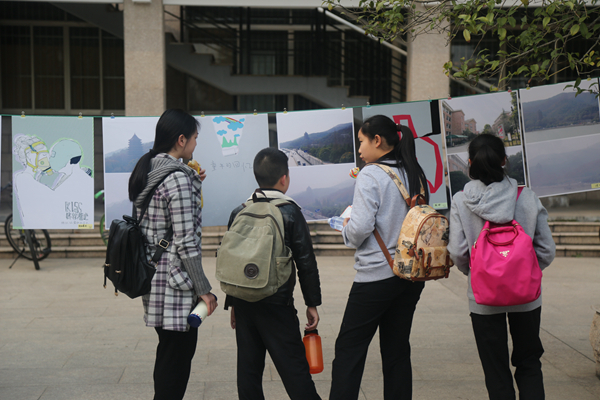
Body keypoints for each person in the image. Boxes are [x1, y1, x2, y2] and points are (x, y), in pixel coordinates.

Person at [447, 134, 556, 400]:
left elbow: (458, 251)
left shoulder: (461, 201)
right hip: (526, 297)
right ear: (504, 161)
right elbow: (546, 249)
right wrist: (524, 273)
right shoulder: (526, 196)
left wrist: (479, 274)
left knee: (495, 369)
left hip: (483, 299)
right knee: (529, 362)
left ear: (470, 163)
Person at [329, 115, 429, 400]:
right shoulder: (414, 171)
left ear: (377, 140)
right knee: (397, 351)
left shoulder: (370, 174)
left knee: (349, 350)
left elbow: (360, 228)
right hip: (410, 275)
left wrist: (346, 229)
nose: (359, 150)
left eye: (361, 142)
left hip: (376, 276)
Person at [128, 109, 217, 400]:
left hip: (154, 279)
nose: (195, 144)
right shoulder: (178, 179)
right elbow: (186, 240)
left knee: (168, 355)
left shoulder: (148, 170)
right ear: (181, 140)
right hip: (175, 285)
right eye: (194, 138)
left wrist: (193, 180)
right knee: (175, 362)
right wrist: (204, 289)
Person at [225, 147, 322, 400]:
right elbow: (306, 262)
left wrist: (233, 301)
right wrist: (312, 303)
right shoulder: (290, 212)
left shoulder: (239, 211)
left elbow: (234, 261)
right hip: (277, 304)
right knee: (295, 370)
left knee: (248, 372)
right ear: (284, 178)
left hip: (244, 304)